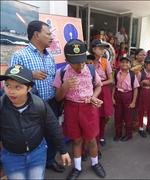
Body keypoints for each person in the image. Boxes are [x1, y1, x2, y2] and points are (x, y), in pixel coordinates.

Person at [10, 20, 65, 172]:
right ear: (36, 35)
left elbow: (55, 80)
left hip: (51, 103)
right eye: (48, 34)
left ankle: (50, 160)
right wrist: (30, 75)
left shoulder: (49, 57)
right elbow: (11, 82)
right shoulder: (19, 55)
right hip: (30, 106)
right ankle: (33, 167)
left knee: (53, 135)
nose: (51, 37)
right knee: (32, 138)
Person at [0, 65, 71, 179]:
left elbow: (53, 127)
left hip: (37, 154)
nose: (11, 91)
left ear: (29, 88)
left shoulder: (39, 104)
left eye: (17, 87)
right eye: (7, 86)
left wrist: (63, 150)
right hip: (12, 157)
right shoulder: (2, 106)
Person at [53, 39, 106, 179]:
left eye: (82, 60)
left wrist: (93, 97)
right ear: (67, 60)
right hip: (71, 108)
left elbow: (99, 86)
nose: (80, 65)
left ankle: (95, 163)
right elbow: (58, 98)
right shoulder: (62, 73)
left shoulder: (90, 69)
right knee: (76, 140)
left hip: (89, 108)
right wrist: (65, 86)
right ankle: (77, 167)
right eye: (76, 62)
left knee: (91, 139)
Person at [91, 39, 114, 146]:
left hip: (103, 90)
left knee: (104, 115)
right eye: (100, 48)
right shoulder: (88, 61)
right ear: (93, 49)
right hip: (91, 91)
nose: (103, 51)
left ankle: (101, 136)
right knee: (93, 116)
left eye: (103, 49)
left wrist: (99, 83)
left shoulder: (105, 62)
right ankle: (94, 137)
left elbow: (111, 80)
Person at [112, 55, 139, 141]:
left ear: (130, 64)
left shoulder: (132, 74)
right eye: (122, 62)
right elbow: (114, 86)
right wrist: (112, 97)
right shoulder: (116, 72)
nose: (124, 64)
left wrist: (133, 102)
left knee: (128, 117)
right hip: (118, 94)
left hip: (128, 95)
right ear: (119, 63)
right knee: (117, 115)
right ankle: (118, 133)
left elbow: (135, 89)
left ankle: (128, 134)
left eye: (126, 62)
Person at [137, 55, 150, 137]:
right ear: (145, 64)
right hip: (142, 94)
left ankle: (148, 126)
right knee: (141, 111)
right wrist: (142, 83)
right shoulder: (140, 73)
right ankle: (141, 128)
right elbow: (136, 85)